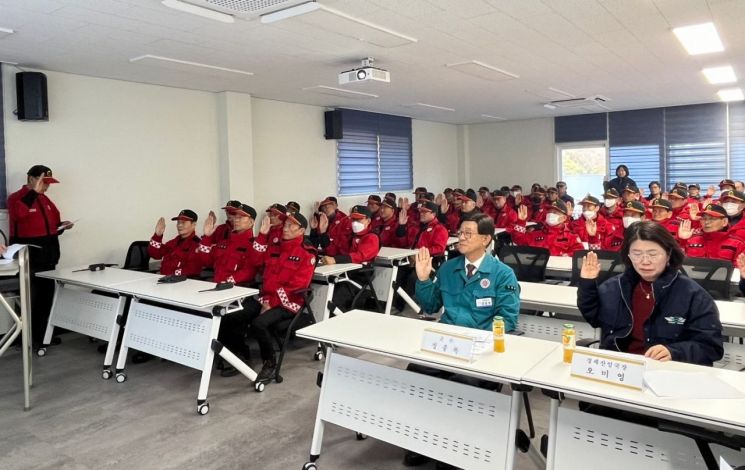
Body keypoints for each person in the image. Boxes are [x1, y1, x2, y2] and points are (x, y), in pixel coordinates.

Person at [403, 213, 520, 468]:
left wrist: (477, 341)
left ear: (486, 239)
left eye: (468, 233)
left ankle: (456, 447)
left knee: (461, 384)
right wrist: (422, 279)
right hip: (447, 344)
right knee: (416, 374)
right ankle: (424, 439)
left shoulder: (502, 274)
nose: (461, 237)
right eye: (461, 232)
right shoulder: (448, 268)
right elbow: (432, 305)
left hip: (480, 351)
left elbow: (507, 320)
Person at [578, 221, 723, 365]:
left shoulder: (693, 294)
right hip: (621, 367)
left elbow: (711, 347)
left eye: (653, 254)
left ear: (668, 254)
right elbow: (594, 317)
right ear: (628, 255)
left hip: (666, 372)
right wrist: (587, 284)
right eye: (636, 254)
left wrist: (674, 352)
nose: (644, 261)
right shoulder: (617, 286)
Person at [218, 212, 317, 379]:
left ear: (301, 231)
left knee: (259, 324)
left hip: (288, 303)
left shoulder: (307, 254)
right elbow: (256, 261)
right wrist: (262, 236)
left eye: (291, 226)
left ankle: (269, 362)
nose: (286, 228)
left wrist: (271, 302)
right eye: (285, 225)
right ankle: (242, 356)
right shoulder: (274, 247)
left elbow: (297, 286)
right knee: (230, 315)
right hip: (265, 299)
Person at [8, 165, 74, 347]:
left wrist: (62, 226)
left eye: (48, 183)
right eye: (44, 182)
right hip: (30, 258)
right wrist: (32, 194)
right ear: (31, 179)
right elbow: (18, 216)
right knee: (30, 299)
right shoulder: (16, 198)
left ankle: (43, 336)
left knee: (46, 299)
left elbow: (51, 225)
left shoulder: (46, 200)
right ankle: (26, 339)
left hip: (48, 257)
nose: (46, 187)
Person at [324, 205, 382, 312]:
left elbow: (360, 256)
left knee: (334, 299)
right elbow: (337, 250)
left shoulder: (371, 237)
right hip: (344, 273)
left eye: (359, 219)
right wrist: (323, 235)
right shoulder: (351, 235)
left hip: (358, 277)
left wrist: (336, 260)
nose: (355, 222)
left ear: (368, 220)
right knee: (324, 291)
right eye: (353, 219)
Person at [197, 204, 264, 286]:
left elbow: (250, 270)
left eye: (241, 217)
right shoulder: (224, 243)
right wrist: (207, 237)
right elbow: (207, 261)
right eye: (235, 216)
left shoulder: (254, 245)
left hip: (237, 289)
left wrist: (227, 281)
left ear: (251, 222)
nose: (236, 220)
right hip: (217, 287)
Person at [512, 200, 584, 256]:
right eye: (549, 211)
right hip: (536, 273)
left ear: (564, 218)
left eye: (555, 212)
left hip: (558, 273)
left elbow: (580, 254)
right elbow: (518, 240)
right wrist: (521, 222)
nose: (550, 214)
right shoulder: (536, 234)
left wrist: (566, 255)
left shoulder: (572, 237)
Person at [677, 205, 745, 262]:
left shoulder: (737, 244)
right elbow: (680, 263)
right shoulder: (692, 240)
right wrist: (683, 241)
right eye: (704, 219)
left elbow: (739, 270)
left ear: (724, 222)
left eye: (712, 219)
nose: (706, 222)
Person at [148, 209, 203, 277]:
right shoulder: (172, 243)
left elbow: (192, 270)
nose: (179, 225)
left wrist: (168, 274)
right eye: (178, 222)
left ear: (193, 224)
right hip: (166, 280)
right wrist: (157, 236)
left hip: (183, 283)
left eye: (183, 222)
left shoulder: (198, 245)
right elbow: (155, 254)